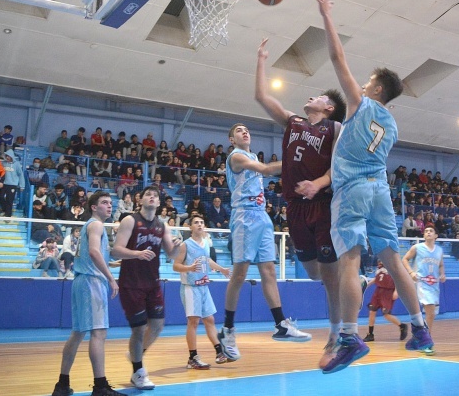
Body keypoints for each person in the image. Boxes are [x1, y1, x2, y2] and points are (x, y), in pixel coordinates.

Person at [313, 0, 433, 374]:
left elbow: (336, 56)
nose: (361, 85)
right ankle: (420, 329)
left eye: (367, 82)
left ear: (377, 89)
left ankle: (348, 336)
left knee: (350, 259)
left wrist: (327, 14)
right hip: (382, 191)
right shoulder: (393, 125)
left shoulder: (362, 105)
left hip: (353, 190)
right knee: (394, 261)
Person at [255, 36, 347, 366]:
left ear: (329, 108)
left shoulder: (336, 129)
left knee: (331, 281)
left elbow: (339, 168)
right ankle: (344, 280)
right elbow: (261, 96)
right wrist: (262, 59)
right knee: (313, 275)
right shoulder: (293, 121)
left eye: (318, 96)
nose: (311, 97)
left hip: (321, 206)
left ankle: (336, 334)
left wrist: (320, 183)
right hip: (294, 207)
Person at [217, 124, 311, 363]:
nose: (244, 132)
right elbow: (268, 169)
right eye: (238, 130)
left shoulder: (251, 155)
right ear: (231, 139)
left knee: (268, 270)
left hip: (261, 216)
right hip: (244, 216)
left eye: (247, 129)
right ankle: (227, 330)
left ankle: (281, 324)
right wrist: (297, 161)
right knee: (239, 275)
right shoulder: (236, 157)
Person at [51, 191, 123, 396]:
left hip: (81, 280)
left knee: (77, 333)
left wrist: (115, 264)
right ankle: (100, 387)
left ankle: (62, 385)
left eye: (111, 203)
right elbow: (93, 252)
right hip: (91, 282)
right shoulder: (97, 224)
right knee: (98, 333)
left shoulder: (88, 226)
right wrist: (110, 277)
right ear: (93, 207)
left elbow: (91, 256)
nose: (109, 206)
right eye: (104, 203)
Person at [110, 185, 181, 390]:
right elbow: (116, 251)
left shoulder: (162, 225)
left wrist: (176, 245)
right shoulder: (130, 220)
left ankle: (135, 354)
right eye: (148, 194)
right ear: (140, 200)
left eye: (155, 195)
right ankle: (138, 372)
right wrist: (137, 254)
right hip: (131, 283)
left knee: (158, 326)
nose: (152, 197)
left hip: (152, 283)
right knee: (139, 329)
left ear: (159, 203)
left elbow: (172, 255)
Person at [172, 214, 231, 369]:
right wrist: (189, 268)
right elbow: (176, 265)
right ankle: (192, 358)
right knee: (193, 321)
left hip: (204, 287)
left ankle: (219, 352)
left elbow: (207, 260)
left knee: (210, 319)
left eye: (201, 222)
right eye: (196, 222)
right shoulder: (185, 245)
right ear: (190, 227)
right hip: (191, 287)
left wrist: (222, 269)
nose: (199, 224)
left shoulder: (206, 242)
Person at [402, 225, 446, 338]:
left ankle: (422, 335)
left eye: (431, 231)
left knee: (431, 314)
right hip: (421, 282)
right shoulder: (417, 247)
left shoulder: (439, 250)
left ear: (436, 235)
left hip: (434, 284)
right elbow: (405, 259)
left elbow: (440, 265)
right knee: (430, 308)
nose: (428, 232)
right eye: (426, 231)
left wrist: (442, 274)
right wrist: (411, 273)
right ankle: (427, 338)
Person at [361, 260, 408, 343]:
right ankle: (370, 334)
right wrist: (367, 285)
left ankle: (402, 326)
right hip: (378, 291)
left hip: (388, 292)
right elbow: (377, 279)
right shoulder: (380, 266)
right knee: (372, 311)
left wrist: (396, 291)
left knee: (386, 314)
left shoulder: (393, 264)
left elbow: (398, 278)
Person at [0, 149, 25, 217]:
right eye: (6, 156)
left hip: (13, 185)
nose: (7, 157)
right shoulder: (3, 163)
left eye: (8, 156)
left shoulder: (17, 164)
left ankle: (8, 215)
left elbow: (20, 174)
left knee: (9, 199)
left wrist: (22, 185)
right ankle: (4, 210)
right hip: (4, 183)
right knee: (0, 196)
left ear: (12, 156)